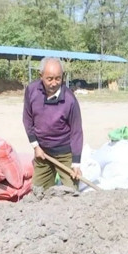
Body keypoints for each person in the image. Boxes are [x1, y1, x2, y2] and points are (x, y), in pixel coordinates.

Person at [23, 57, 83, 190]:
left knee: (72, 192)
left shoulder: (70, 100)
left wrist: (76, 163)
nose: (54, 83)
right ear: (41, 76)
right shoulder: (32, 91)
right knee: (38, 192)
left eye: (58, 78)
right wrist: (35, 146)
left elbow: (76, 132)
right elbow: (27, 119)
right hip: (42, 152)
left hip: (64, 153)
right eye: (49, 79)